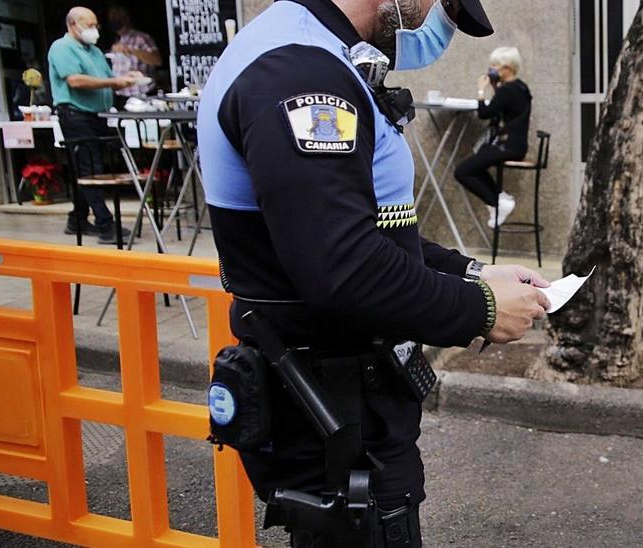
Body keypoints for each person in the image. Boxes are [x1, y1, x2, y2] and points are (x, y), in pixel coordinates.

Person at [197, 0, 550, 545]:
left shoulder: (315, 55)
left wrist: (473, 271)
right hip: (333, 409)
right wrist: (479, 308)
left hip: (344, 402)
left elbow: (376, 229)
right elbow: (343, 265)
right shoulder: (301, 71)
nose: (436, 15)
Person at [48, 6, 139, 244]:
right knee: (91, 170)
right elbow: (75, 80)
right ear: (73, 25)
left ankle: (77, 220)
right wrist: (112, 81)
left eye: (95, 25)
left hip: (97, 116)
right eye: (88, 25)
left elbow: (108, 81)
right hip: (76, 115)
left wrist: (127, 80)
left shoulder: (95, 51)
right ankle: (105, 224)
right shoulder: (62, 47)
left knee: (87, 170)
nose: (94, 30)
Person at [454, 46, 532, 228]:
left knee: (462, 171)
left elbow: (485, 113)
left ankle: (496, 202)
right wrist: (495, 87)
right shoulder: (520, 87)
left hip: (507, 147)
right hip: (516, 146)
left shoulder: (507, 91)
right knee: (477, 164)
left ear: (508, 68)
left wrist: (481, 91)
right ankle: (499, 198)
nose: (492, 69)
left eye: (495, 65)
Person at [106, 5, 162, 99]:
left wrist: (131, 50)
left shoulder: (141, 38)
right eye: (111, 17)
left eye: (116, 16)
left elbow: (157, 60)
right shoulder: (117, 40)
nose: (113, 20)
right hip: (121, 95)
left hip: (141, 94)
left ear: (126, 18)